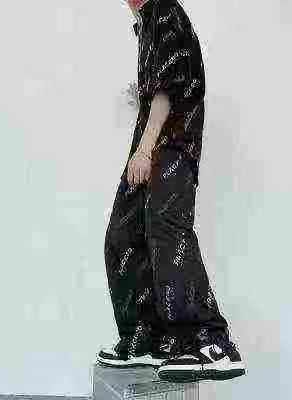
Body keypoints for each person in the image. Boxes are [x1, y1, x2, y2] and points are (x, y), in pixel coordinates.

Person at [96, 0, 247, 383]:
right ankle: (147, 338)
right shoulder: (146, 21)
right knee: (123, 235)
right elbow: (160, 86)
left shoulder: (164, 10)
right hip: (153, 144)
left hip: (173, 146)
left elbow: (169, 88)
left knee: (168, 233)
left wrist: (145, 149)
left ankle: (211, 343)